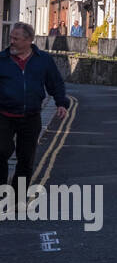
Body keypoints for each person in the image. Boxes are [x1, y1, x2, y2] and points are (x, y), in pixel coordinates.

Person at [0, 23, 69, 191]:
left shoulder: (43, 59)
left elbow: (55, 83)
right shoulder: (2, 59)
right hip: (4, 115)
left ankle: (18, 198)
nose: (12, 42)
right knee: (1, 153)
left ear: (29, 40)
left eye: (16, 38)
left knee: (26, 159)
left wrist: (61, 103)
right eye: (11, 38)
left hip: (31, 116)